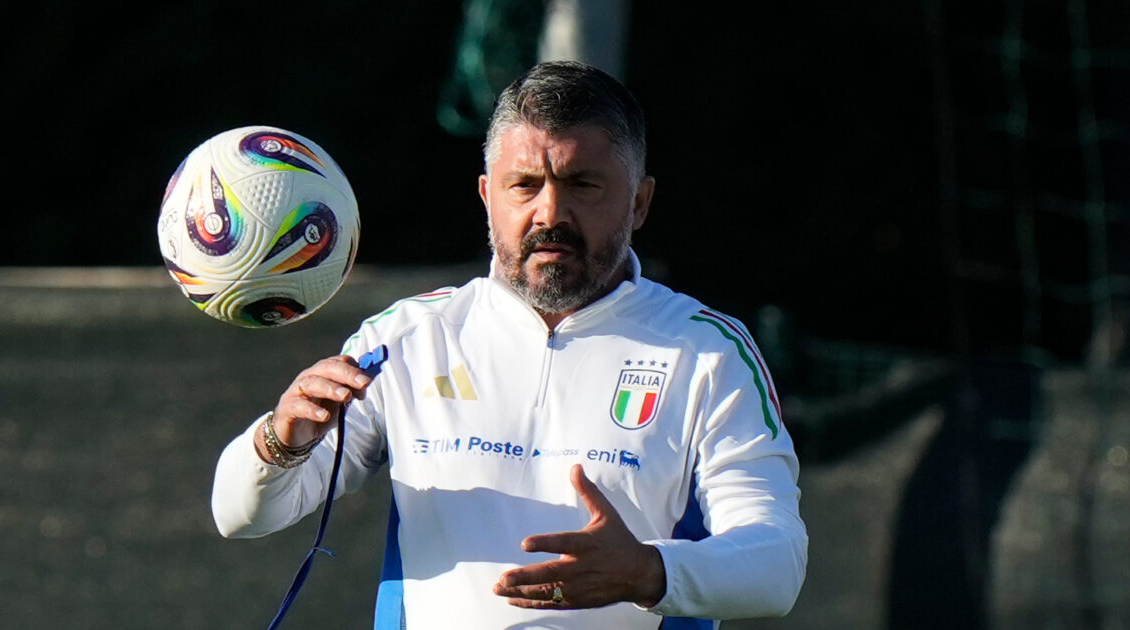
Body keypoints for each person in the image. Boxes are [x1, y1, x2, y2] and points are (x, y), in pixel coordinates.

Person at [212, 60, 807, 629]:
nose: (550, 212)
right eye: (524, 185)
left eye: (582, 184)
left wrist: (648, 573)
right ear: (486, 196)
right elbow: (239, 515)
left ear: (639, 202)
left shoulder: (705, 351)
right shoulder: (408, 338)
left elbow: (778, 564)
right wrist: (279, 440)